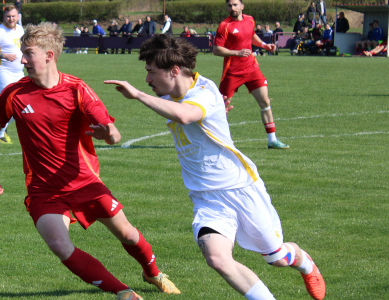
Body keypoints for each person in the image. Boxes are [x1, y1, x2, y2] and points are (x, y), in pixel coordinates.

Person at [105, 33, 326, 300]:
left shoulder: (204, 91)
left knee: (277, 257)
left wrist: (138, 95)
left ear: (174, 71)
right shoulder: (175, 96)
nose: (147, 80)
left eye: (151, 72)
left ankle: (305, 263)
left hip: (240, 189)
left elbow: (186, 115)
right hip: (207, 199)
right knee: (217, 258)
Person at [0, 21, 181, 300]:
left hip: (84, 182)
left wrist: (107, 134)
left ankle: (153, 273)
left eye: (28, 53)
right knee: (60, 245)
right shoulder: (14, 93)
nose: (23, 60)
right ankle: (123, 293)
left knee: (128, 235)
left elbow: (115, 135)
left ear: (49, 56)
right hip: (44, 190)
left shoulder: (77, 89)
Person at [214, 0, 289, 149]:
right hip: (232, 72)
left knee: (265, 102)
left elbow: (251, 35)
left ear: (242, 6)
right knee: (220, 108)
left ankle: (272, 140)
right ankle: (212, 139)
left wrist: (263, 45)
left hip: (252, 69)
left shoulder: (250, 20)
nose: (232, 8)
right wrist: (237, 52)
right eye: (229, 5)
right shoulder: (225, 26)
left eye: (235, 5)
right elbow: (216, 49)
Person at [0, 5, 24, 144]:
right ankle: (0, 133)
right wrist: (4, 55)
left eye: (13, 16)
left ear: (17, 16)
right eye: (8, 16)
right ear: (4, 17)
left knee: (22, 105)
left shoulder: (20, 29)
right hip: (4, 72)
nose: (11, 19)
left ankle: (2, 127)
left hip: (19, 73)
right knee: (9, 104)